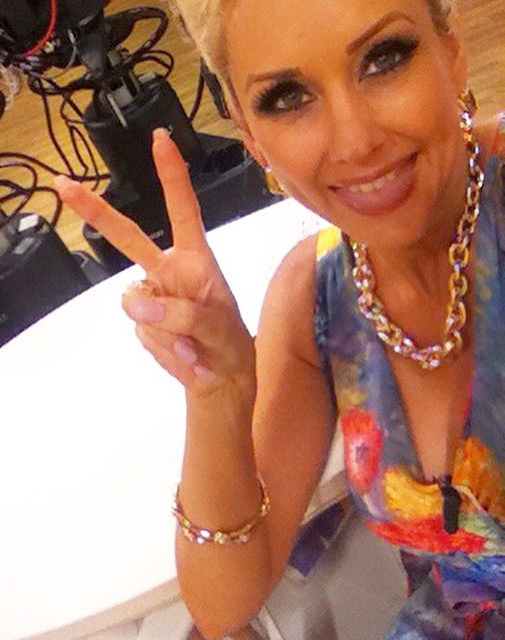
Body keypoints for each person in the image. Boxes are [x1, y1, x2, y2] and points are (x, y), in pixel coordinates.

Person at [55, 0, 505, 637]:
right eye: (287, 98)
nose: (354, 141)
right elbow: (224, 603)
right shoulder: (314, 299)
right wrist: (216, 392)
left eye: (384, 58)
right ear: (250, 138)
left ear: (451, 52)